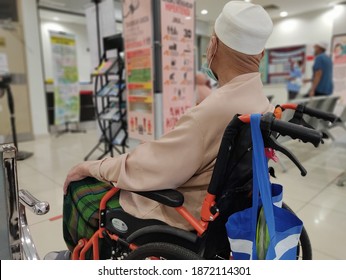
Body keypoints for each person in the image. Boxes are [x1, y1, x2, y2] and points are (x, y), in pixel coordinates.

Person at [45, 0, 274, 260]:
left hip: (181, 211)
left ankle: (78, 256)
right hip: (224, 208)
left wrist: (92, 167)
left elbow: (147, 167)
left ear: (214, 45)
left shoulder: (211, 111)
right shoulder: (261, 103)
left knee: (80, 188)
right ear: (261, 54)